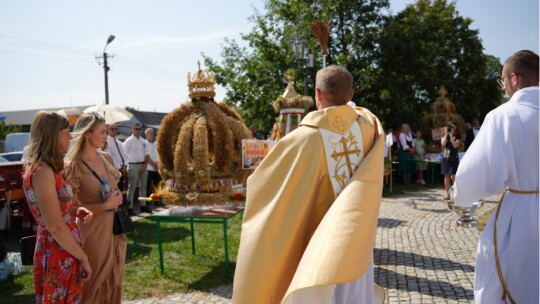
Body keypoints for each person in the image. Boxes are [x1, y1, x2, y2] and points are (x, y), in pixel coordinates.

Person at [233, 65, 385, 304]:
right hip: (357, 241)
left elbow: (262, 184)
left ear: (317, 94)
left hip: (320, 250)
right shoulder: (369, 128)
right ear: (352, 95)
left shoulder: (300, 140)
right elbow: (361, 113)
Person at [453, 50, 539, 304]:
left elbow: (476, 173)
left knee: (505, 282)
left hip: (521, 214)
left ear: (514, 78)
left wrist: (462, 194)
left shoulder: (504, 116)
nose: (503, 88)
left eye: (502, 81)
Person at [22, 111, 93, 303]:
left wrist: (75, 210)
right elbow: (54, 225)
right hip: (56, 248)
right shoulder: (42, 171)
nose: (70, 136)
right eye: (66, 131)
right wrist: (84, 258)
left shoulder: (50, 168)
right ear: (53, 134)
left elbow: (56, 210)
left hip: (63, 246)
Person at [64, 112, 126, 304]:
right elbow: (72, 208)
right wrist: (105, 205)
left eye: (106, 131)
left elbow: (114, 187)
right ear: (87, 134)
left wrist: (117, 197)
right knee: (95, 282)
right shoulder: (73, 165)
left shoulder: (107, 157)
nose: (106, 135)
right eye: (102, 132)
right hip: (93, 230)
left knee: (115, 279)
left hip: (116, 227)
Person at [123, 123, 151, 215]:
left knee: (143, 186)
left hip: (143, 164)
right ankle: (129, 207)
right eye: (136, 129)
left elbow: (147, 154)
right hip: (133, 165)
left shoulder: (143, 141)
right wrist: (126, 165)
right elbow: (124, 154)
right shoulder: (128, 141)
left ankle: (143, 205)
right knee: (132, 187)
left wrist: (144, 165)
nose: (138, 130)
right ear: (132, 129)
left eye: (139, 129)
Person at [104, 123, 128, 192]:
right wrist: (120, 167)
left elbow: (125, 155)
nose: (114, 130)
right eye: (112, 129)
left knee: (123, 191)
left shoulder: (119, 142)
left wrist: (125, 166)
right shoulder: (106, 143)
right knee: (116, 192)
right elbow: (110, 157)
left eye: (116, 129)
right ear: (107, 130)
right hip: (114, 171)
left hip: (122, 170)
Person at [441, 122, 460, 200]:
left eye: (452, 128)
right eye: (449, 127)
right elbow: (443, 144)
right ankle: (448, 195)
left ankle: (456, 194)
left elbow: (455, 145)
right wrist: (446, 134)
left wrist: (451, 136)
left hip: (454, 156)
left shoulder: (457, 135)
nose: (450, 129)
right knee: (447, 176)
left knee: (453, 177)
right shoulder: (445, 135)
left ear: (454, 129)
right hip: (446, 156)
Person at [144, 128, 162, 206]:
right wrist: (153, 164)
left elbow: (159, 155)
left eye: (152, 133)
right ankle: (148, 202)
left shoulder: (156, 144)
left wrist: (157, 164)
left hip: (157, 168)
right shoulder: (144, 144)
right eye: (150, 133)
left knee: (157, 186)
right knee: (148, 186)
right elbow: (146, 156)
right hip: (149, 168)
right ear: (146, 135)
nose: (152, 134)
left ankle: (156, 200)